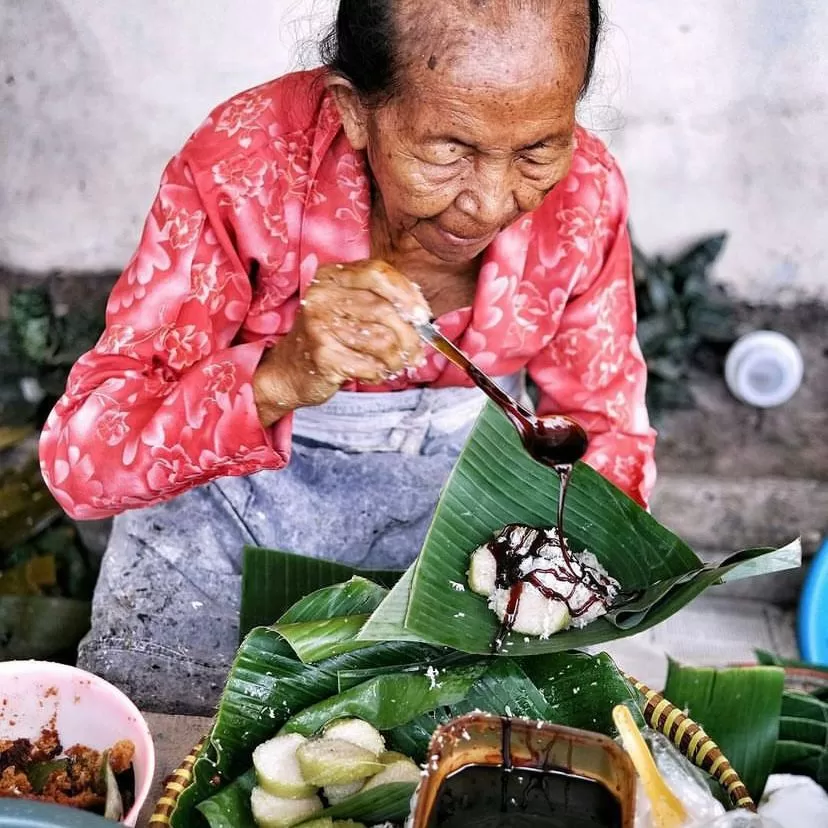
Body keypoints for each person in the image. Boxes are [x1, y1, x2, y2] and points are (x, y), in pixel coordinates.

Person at [39, 0, 656, 714]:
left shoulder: (584, 195)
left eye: (537, 150)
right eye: (448, 150)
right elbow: (81, 465)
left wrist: (558, 578)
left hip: (455, 551)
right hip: (221, 539)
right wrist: (278, 377)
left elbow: (602, 428)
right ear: (354, 110)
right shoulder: (246, 166)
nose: (490, 204)